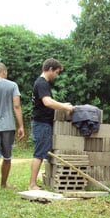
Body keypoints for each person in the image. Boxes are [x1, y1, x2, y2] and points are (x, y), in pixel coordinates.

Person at [29, 58, 74, 190]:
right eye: (57, 72)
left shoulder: (42, 83)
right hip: (41, 124)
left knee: (42, 153)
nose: (57, 75)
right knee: (39, 153)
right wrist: (66, 107)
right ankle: (32, 184)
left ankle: (34, 183)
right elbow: (48, 102)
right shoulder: (42, 83)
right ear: (50, 69)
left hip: (43, 123)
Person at [0, 62, 25, 188]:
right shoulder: (12, 85)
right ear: (4, 72)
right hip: (7, 126)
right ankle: (3, 184)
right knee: (7, 157)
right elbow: (16, 106)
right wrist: (21, 126)